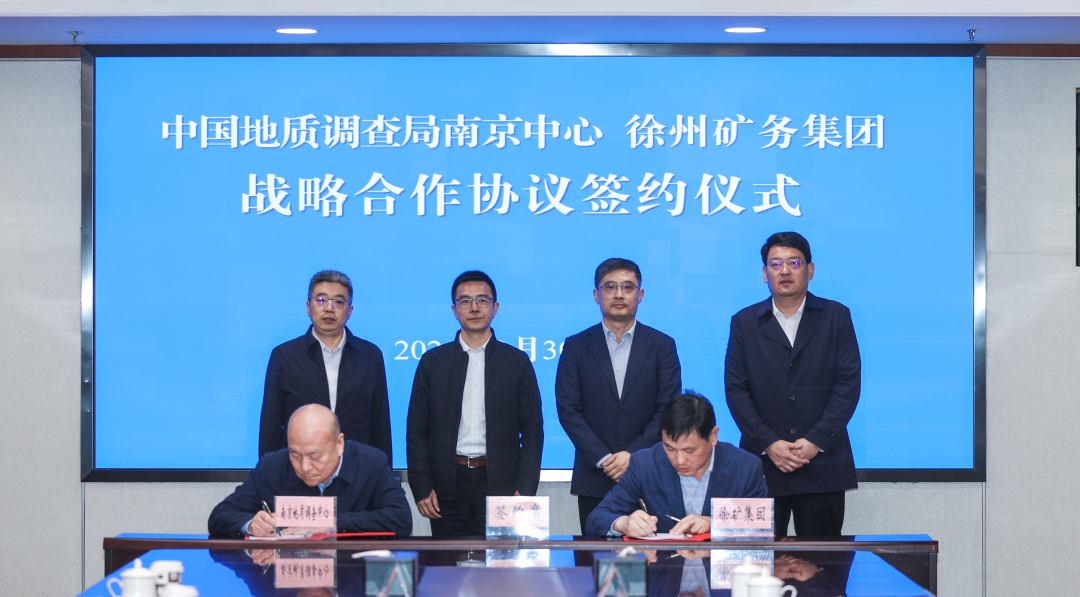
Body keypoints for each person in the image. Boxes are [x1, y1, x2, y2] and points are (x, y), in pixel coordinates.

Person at [724, 231, 861, 537]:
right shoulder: (744, 322)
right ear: (765, 273)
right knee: (754, 561)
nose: (784, 270)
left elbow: (848, 384)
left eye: (794, 263)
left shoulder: (836, 317)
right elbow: (736, 388)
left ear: (809, 270)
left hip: (822, 463)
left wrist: (815, 442)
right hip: (761, 465)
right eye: (775, 264)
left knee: (822, 562)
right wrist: (768, 443)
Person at [405, 270, 544, 537]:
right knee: (448, 562)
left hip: (502, 486)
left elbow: (533, 432)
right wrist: (421, 487)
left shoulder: (517, 362)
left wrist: (525, 489)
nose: (474, 308)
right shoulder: (433, 362)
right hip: (446, 486)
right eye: (465, 301)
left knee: (500, 563)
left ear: (495, 307)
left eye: (482, 300)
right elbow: (417, 431)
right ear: (454, 309)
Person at [556, 257, 682, 534]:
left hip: (650, 474)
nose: (618, 294)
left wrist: (632, 456)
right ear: (596, 294)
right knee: (595, 555)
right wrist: (604, 458)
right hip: (595, 476)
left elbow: (668, 409)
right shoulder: (576, 346)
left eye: (627, 287)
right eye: (610, 286)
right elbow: (568, 409)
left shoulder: (662, 345)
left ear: (640, 294)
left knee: (652, 556)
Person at [209, 404, 412, 538]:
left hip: (350, 577)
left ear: (339, 444)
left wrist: (331, 522)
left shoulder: (371, 463)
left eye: (315, 456)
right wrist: (251, 524)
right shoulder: (272, 467)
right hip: (288, 581)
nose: (305, 467)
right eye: (295, 454)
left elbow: (401, 519)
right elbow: (220, 515)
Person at [585, 391, 768, 537]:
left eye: (689, 451)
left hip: (721, 571)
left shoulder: (745, 467)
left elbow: (763, 524)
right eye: (670, 448)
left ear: (713, 436)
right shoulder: (644, 464)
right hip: (665, 568)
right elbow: (597, 518)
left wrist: (715, 523)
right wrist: (624, 523)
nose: (679, 460)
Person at [259, 270, 392, 461]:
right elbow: (270, 426)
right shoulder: (284, 356)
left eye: (338, 302)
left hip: (357, 470)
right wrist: (269, 474)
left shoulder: (370, 355)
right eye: (321, 300)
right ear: (308, 306)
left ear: (350, 311)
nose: (329, 308)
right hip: (301, 469)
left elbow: (380, 425)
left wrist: (383, 474)